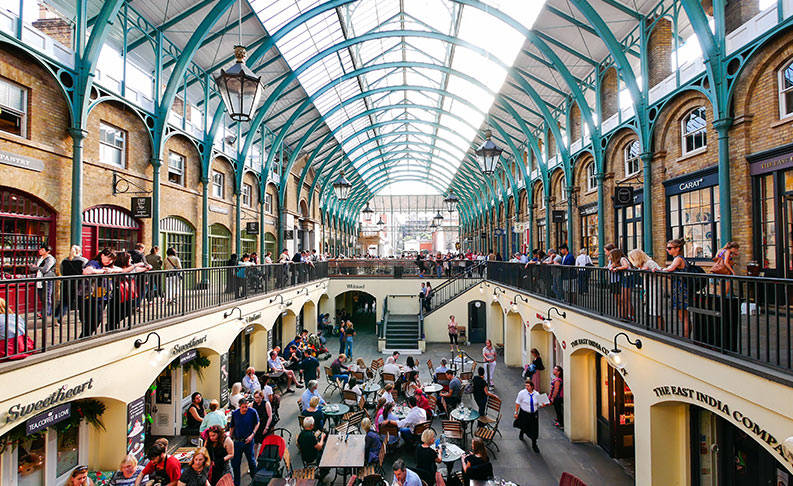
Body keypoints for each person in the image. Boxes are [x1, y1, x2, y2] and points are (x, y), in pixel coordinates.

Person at [80, 248, 121, 337]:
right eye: (108, 259)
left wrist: (111, 270)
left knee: (95, 321)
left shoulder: (106, 266)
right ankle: (83, 339)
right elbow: (87, 271)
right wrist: (103, 271)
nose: (109, 262)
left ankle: (84, 338)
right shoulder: (95, 263)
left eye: (111, 260)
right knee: (93, 322)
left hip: (103, 296)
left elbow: (121, 270)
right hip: (92, 297)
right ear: (102, 255)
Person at [661, 238, 690, 338]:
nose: (667, 250)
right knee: (682, 315)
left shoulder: (678, 259)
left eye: (669, 248)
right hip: (679, 289)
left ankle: (686, 338)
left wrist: (660, 270)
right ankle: (686, 336)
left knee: (683, 316)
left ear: (677, 249)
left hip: (681, 290)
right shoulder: (678, 258)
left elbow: (670, 269)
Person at [628, 249, 663, 329]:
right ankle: (651, 327)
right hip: (647, 288)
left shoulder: (650, 263)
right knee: (649, 309)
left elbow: (660, 271)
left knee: (657, 311)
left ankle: (661, 330)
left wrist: (653, 270)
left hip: (654, 288)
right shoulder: (641, 265)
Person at [229, 398, 259, 486]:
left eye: (246, 407)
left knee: (252, 462)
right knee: (235, 463)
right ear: (239, 406)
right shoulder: (235, 414)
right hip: (237, 441)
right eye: (243, 407)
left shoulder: (252, 412)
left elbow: (257, 423)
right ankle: (237, 483)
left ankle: (254, 481)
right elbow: (232, 427)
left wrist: (252, 434)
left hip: (248, 441)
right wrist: (230, 438)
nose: (245, 409)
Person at [55, 245, 88, 324]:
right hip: (80, 284)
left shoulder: (64, 261)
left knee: (64, 301)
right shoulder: (83, 261)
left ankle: (57, 317)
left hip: (67, 283)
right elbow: (85, 272)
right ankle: (83, 319)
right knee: (81, 302)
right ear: (79, 251)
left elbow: (62, 272)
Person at [514, 378, 546, 453]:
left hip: (533, 414)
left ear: (532, 386)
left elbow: (540, 404)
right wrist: (516, 412)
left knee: (534, 429)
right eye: (526, 386)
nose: (526, 387)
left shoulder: (537, 394)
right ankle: (522, 432)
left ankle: (534, 444)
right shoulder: (522, 393)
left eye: (528, 386)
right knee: (524, 425)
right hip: (524, 413)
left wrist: (543, 405)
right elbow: (517, 403)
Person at [30, 244, 56, 319]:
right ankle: (47, 311)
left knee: (47, 296)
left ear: (47, 251)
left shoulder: (50, 259)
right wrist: (37, 268)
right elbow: (32, 268)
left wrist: (37, 267)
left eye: (42, 250)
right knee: (41, 296)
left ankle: (46, 312)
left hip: (47, 279)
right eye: (40, 249)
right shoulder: (40, 258)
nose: (40, 251)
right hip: (39, 279)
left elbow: (45, 269)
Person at [608, 247, 634, 320]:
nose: (610, 257)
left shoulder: (622, 259)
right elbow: (611, 267)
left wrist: (617, 268)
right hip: (624, 279)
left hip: (627, 278)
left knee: (625, 299)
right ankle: (627, 315)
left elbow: (626, 266)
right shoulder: (617, 261)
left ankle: (630, 315)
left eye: (611, 255)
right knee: (624, 299)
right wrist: (612, 267)